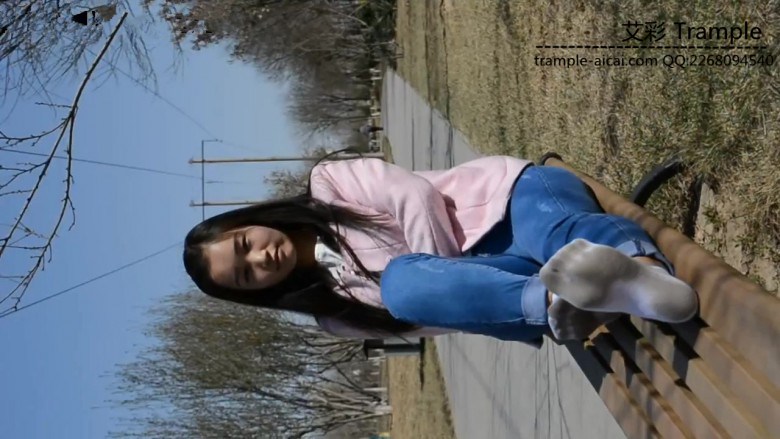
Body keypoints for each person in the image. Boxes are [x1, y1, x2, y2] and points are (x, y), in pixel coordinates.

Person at [182, 154, 699, 345]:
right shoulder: (336, 316)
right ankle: (566, 299)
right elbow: (433, 319)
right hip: (519, 289)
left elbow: (415, 195)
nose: (260, 259)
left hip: (507, 203)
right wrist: (465, 285)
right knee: (403, 287)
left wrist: (448, 271)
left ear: (248, 221)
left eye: (245, 244)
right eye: (247, 275)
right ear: (258, 294)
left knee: (556, 231)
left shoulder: (329, 184)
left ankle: (644, 275)